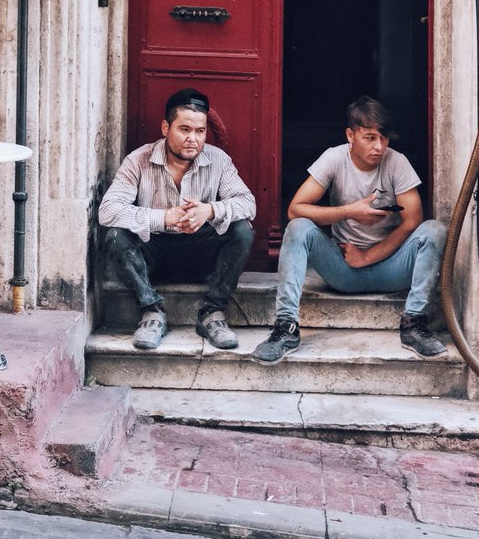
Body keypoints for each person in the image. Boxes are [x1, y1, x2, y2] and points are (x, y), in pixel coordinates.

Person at [252, 95, 447, 364]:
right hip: (343, 271)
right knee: (298, 228)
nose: (379, 146)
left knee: (434, 229)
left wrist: (367, 257)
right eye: (369, 137)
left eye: (384, 138)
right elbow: (295, 209)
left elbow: (413, 221)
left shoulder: (396, 162)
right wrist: (349, 211)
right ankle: (286, 328)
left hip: (393, 269)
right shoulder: (334, 158)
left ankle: (414, 325)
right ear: (350, 135)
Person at [99, 87, 255, 351]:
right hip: (154, 254)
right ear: (165, 128)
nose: (192, 139)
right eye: (184, 129)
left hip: (201, 254)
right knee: (115, 235)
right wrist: (164, 218)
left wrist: (210, 210)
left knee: (242, 229)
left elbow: (248, 203)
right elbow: (108, 210)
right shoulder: (139, 160)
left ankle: (212, 313)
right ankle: (151, 311)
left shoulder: (218, 161)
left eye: (200, 131)